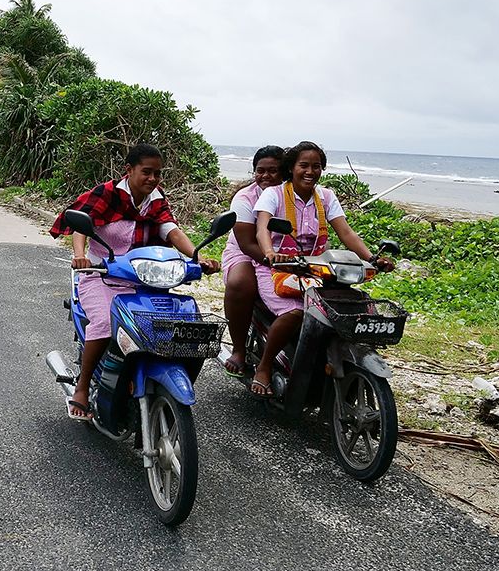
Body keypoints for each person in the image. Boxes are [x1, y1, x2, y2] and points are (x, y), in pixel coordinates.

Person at [50, 143, 221, 420]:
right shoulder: (107, 194)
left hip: (142, 276)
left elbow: (171, 231)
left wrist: (197, 257)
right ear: (128, 170)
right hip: (101, 274)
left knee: (174, 326)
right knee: (106, 324)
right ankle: (82, 388)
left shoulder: (156, 199)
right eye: (146, 172)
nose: (153, 179)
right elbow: (82, 225)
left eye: (158, 173)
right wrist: (80, 256)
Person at [249, 141, 394, 397]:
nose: (310, 171)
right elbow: (263, 227)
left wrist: (372, 258)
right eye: (303, 165)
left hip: (314, 269)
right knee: (295, 312)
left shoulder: (326, 196)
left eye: (316, 166)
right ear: (291, 168)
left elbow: (345, 231)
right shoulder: (274, 194)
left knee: (343, 308)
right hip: (276, 268)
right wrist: (270, 253)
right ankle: (264, 366)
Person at [220, 146, 284, 375]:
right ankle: (238, 349)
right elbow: (246, 243)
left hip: (284, 254)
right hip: (245, 251)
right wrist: (277, 262)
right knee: (241, 283)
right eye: (260, 170)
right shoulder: (245, 197)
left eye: (273, 171)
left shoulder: (292, 195)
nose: (265, 176)